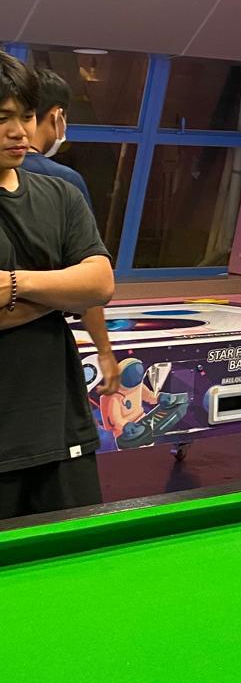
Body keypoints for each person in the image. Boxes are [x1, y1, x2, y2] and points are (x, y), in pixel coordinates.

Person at [0, 51, 115, 519]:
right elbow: (80, 286)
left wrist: (15, 284)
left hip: (61, 430)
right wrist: (61, 292)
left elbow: (99, 283)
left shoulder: (61, 194)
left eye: (26, 116)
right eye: (2, 119)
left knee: (80, 557)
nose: (19, 132)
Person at [24, 68, 119, 398]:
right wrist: (104, 351)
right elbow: (88, 279)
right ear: (57, 116)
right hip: (40, 343)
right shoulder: (64, 184)